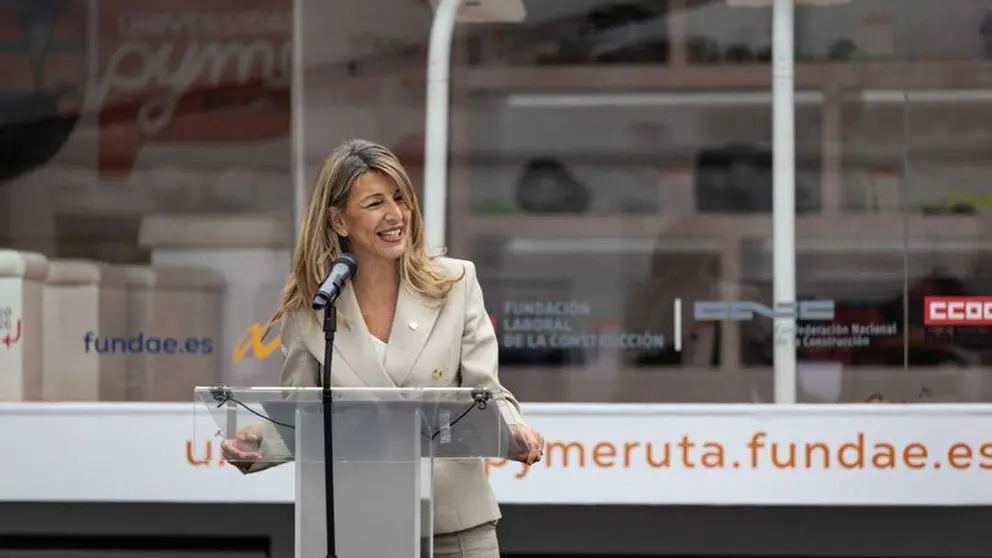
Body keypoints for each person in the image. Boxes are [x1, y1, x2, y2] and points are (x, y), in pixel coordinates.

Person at [220, 139, 545, 557]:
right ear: (339, 221)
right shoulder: (312, 306)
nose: (395, 215)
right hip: (357, 521)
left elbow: (486, 393)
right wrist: (257, 444)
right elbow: (303, 414)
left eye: (400, 198)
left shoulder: (456, 283)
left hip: (452, 521)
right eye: (375, 203)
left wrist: (513, 430)